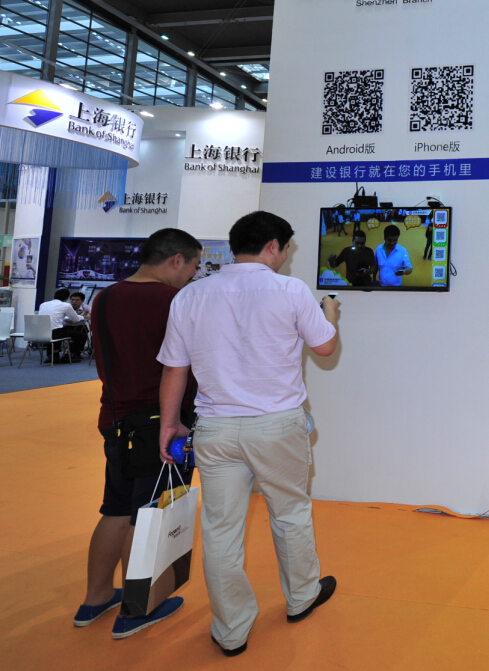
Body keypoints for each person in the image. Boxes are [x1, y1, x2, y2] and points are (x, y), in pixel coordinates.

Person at [157, 211, 340, 657]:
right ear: (273, 246)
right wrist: (331, 315)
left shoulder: (192, 294)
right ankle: (302, 597)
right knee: (290, 513)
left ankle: (231, 630)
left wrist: (169, 423)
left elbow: (174, 369)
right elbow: (325, 347)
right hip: (277, 426)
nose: (285, 258)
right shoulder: (291, 290)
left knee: (220, 530)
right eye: (286, 249)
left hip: (215, 428)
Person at [75, 228, 202, 638]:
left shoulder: (105, 297)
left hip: (115, 419)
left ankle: (96, 598)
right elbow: (186, 364)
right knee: (151, 515)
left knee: (115, 509)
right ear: (176, 260)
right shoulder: (174, 301)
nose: (192, 275)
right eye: (193, 266)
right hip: (163, 425)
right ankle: (136, 610)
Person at [37, 287, 87, 362]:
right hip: (55, 333)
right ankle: (71, 354)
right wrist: (82, 316)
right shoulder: (65, 305)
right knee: (82, 335)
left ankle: (53, 355)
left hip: (41, 332)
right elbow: (75, 319)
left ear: (54, 296)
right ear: (67, 298)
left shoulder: (43, 304)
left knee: (59, 329)